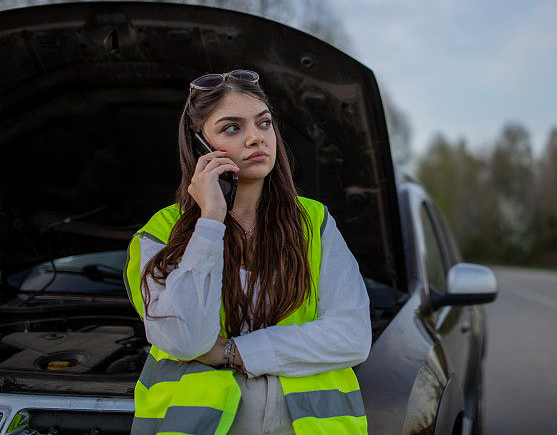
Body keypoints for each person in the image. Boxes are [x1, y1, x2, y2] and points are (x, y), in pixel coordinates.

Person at [122, 70, 372, 434]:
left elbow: (352, 335)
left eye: (264, 123)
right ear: (199, 147)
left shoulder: (313, 221)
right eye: (232, 128)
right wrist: (210, 220)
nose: (257, 137)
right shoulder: (160, 232)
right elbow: (186, 338)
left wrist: (234, 352)